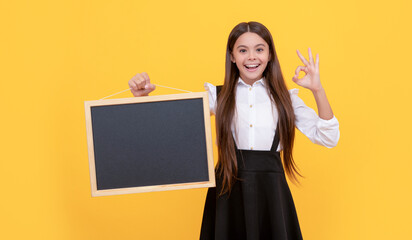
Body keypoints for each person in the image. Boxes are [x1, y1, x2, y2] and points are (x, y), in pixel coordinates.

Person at [128, 21, 339, 240]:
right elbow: (170, 125)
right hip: (227, 190)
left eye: (259, 49)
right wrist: (143, 98)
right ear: (232, 56)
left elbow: (329, 137)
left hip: (271, 193)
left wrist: (317, 90)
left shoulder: (286, 98)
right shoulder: (217, 96)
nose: (251, 57)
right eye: (242, 50)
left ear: (269, 54)